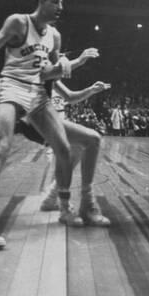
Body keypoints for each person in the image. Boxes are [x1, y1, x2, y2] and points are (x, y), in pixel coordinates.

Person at [0, 0, 99, 248]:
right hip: (12, 84)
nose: (61, 7)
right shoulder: (18, 22)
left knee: (64, 148)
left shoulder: (55, 37)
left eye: (62, 3)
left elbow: (48, 73)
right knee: (2, 146)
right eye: (56, 2)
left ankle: (63, 207)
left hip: (37, 92)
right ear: (41, 0)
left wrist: (73, 64)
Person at [16, 80, 112, 225]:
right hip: (36, 120)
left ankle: (52, 198)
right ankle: (83, 205)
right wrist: (77, 62)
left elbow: (70, 96)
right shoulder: (39, 65)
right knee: (92, 140)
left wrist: (91, 89)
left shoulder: (48, 71)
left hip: (40, 119)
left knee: (79, 146)